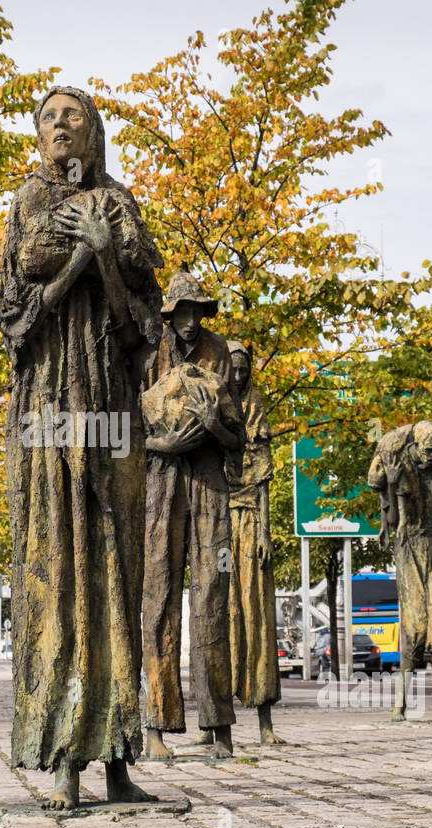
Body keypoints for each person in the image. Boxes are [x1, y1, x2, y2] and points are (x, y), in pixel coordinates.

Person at [0, 86, 163, 810]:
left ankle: (119, 756)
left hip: (112, 404)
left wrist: (111, 266)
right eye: (50, 119)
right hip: (51, 407)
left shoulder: (119, 201)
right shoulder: (27, 201)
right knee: (59, 564)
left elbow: (140, 328)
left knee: (117, 568)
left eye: (77, 118)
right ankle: (66, 756)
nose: (63, 127)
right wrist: (84, 258)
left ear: (95, 135)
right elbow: (17, 312)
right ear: (38, 137)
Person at [139, 269, 243, 760]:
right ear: (170, 315)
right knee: (158, 598)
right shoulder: (148, 352)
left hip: (209, 484)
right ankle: (155, 725)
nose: (190, 321)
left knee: (212, 599)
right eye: (182, 312)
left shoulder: (218, 351)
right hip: (160, 485)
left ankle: (219, 725)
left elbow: (237, 436)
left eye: (196, 311)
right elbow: (124, 431)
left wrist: (209, 426)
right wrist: (162, 443)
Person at [368, 422, 432, 722]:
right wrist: (392, 483)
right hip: (409, 546)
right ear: (414, 448)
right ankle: (400, 705)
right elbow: (392, 510)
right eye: (428, 451)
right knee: (415, 625)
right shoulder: (397, 460)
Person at [223, 341, 285, 745]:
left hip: (249, 524)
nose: (240, 377)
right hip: (218, 523)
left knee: (257, 611)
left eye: (245, 370)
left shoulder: (256, 406)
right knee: (222, 613)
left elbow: (262, 477)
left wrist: (264, 531)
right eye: (235, 370)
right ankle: (218, 728)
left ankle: (265, 724)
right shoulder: (213, 402)